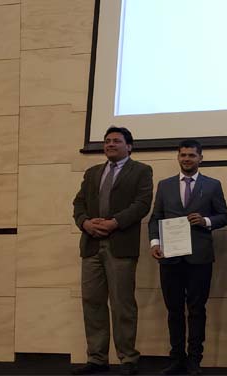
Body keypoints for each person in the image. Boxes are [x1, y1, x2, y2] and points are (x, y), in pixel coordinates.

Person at [72, 126, 153, 375]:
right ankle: (97, 358)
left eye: (116, 141)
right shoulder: (92, 172)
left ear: (129, 146)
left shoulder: (141, 171)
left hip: (121, 245)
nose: (110, 144)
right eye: (107, 141)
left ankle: (128, 358)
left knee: (122, 304)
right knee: (92, 302)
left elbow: (142, 204)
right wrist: (85, 222)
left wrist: (114, 222)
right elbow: (79, 203)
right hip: (91, 244)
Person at [148, 139, 227, 375]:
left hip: (199, 258)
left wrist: (205, 221)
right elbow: (155, 218)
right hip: (170, 257)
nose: (187, 159)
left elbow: (223, 216)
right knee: (173, 310)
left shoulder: (213, 185)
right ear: (178, 157)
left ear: (200, 158)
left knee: (196, 310)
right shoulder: (164, 185)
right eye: (183, 155)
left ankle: (195, 359)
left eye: (192, 155)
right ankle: (176, 358)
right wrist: (155, 242)